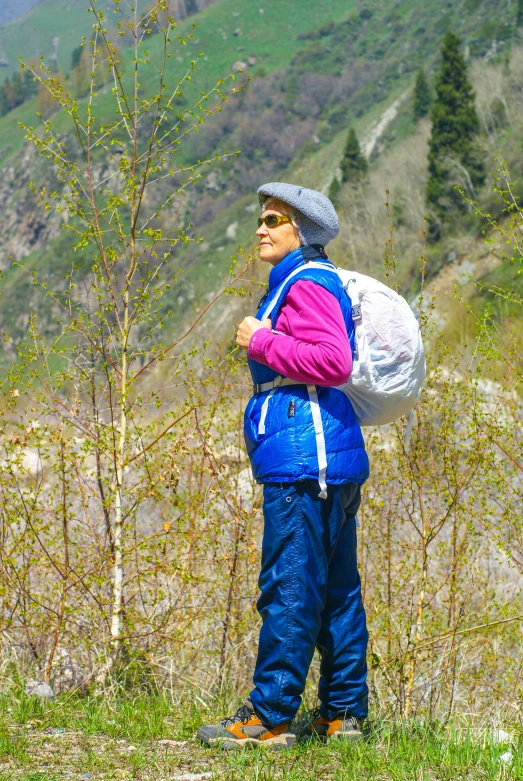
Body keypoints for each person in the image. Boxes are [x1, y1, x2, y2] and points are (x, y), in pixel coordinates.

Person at [198, 183, 369, 750]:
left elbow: (332, 361)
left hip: (305, 460)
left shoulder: (306, 282)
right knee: (337, 589)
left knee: (289, 585)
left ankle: (269, 717)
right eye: (261, 219)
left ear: (304, 233)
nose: (261, 229)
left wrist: (264, 338)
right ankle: (343, 714)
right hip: (328, 459)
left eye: (274, 220)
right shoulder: (309, 282)